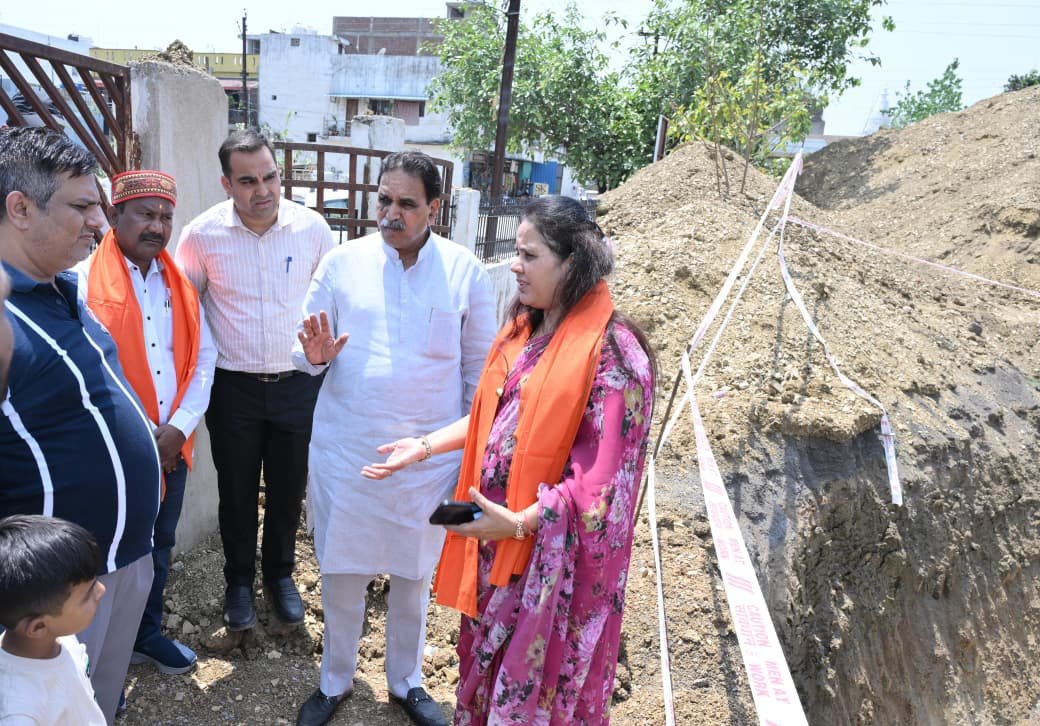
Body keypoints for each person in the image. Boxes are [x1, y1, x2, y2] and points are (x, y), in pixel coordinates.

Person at [365, 195, 656, 724]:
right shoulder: (525, 329)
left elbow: (603, 491)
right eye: (516, 253)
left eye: (529, 255)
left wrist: (520, 524)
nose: (515, 267)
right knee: (483, 682)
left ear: (573, 263)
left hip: (544, 570)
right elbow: (493, 418)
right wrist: (424, 446)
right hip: (493, 551)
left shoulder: (615, 356)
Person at [292, 150, 497, 726]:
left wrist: (466, 454)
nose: (391, 213)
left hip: (428, 464)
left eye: (407, 203)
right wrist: (313, 357)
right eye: (384, 200)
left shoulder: (464, 272)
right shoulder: (341, 263)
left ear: (434, 208)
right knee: (341, 575)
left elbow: (480, 374)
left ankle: (406, 682)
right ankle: (334, 681)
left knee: (413, 577)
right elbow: (303, 349)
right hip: (348, 455)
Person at [0, 126, 161, 724]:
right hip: (52, 592)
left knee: (94, 703)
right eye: (81, 206)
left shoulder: (67, 290)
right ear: (21, 208)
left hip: (119, 563)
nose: (100, 221)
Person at [175, 129, 334, 632]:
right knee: (237, 491)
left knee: (288, 489)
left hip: (298, 384)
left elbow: (332, 300)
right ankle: (239, 583)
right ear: (227, 184)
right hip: (233, 388)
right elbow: (184, 312)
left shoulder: (312, 229)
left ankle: (280, 576)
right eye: (247, 181)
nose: (262, 190)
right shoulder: (201, 236)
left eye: (270, 177)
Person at [76, 170, 217, 676]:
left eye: (165, 217)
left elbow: (203, 360)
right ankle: (92, 658)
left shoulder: (180, 284)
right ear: (114, 215)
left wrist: (178, 428)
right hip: (110, 452)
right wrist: (137, 439)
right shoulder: (80, 283)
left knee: (159, 544)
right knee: (104, 553)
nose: (157, 226)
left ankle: (145, 635)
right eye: (145, 214)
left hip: (170, 447)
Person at [0, 515, 107, 725]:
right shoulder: (16, 713)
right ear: (38, 627)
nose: (101, 590)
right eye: (87, 594)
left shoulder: (61, 637)